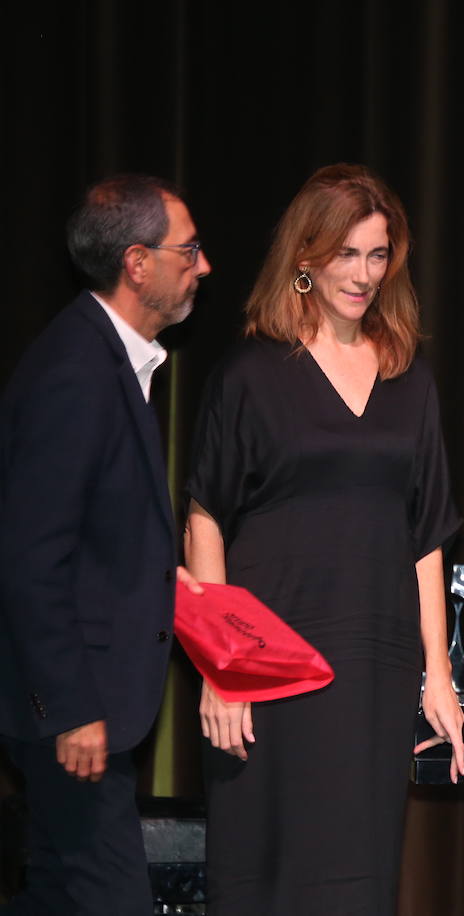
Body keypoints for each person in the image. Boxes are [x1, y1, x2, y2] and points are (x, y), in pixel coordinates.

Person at [183, 163, 464, 914]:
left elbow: (427, 534)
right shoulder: (251, 371)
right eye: (346, 254)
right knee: (263, 871)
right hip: (268, 657)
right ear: (304, 258)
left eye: (378, 255)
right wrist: (222, 667)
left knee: (356, 878)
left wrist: (437, 673)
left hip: (375, 662)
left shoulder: (411, 378)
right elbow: (205, 517)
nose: (364, 274)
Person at [0, 175, 210, 915]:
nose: (204, 265)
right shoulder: (78, 371)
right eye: (188, 249)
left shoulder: (109, 360)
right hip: (73, 713)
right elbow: (31, 558)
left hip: (78, 708)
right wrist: (69, 707)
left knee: (59, 897)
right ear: (136, 263)